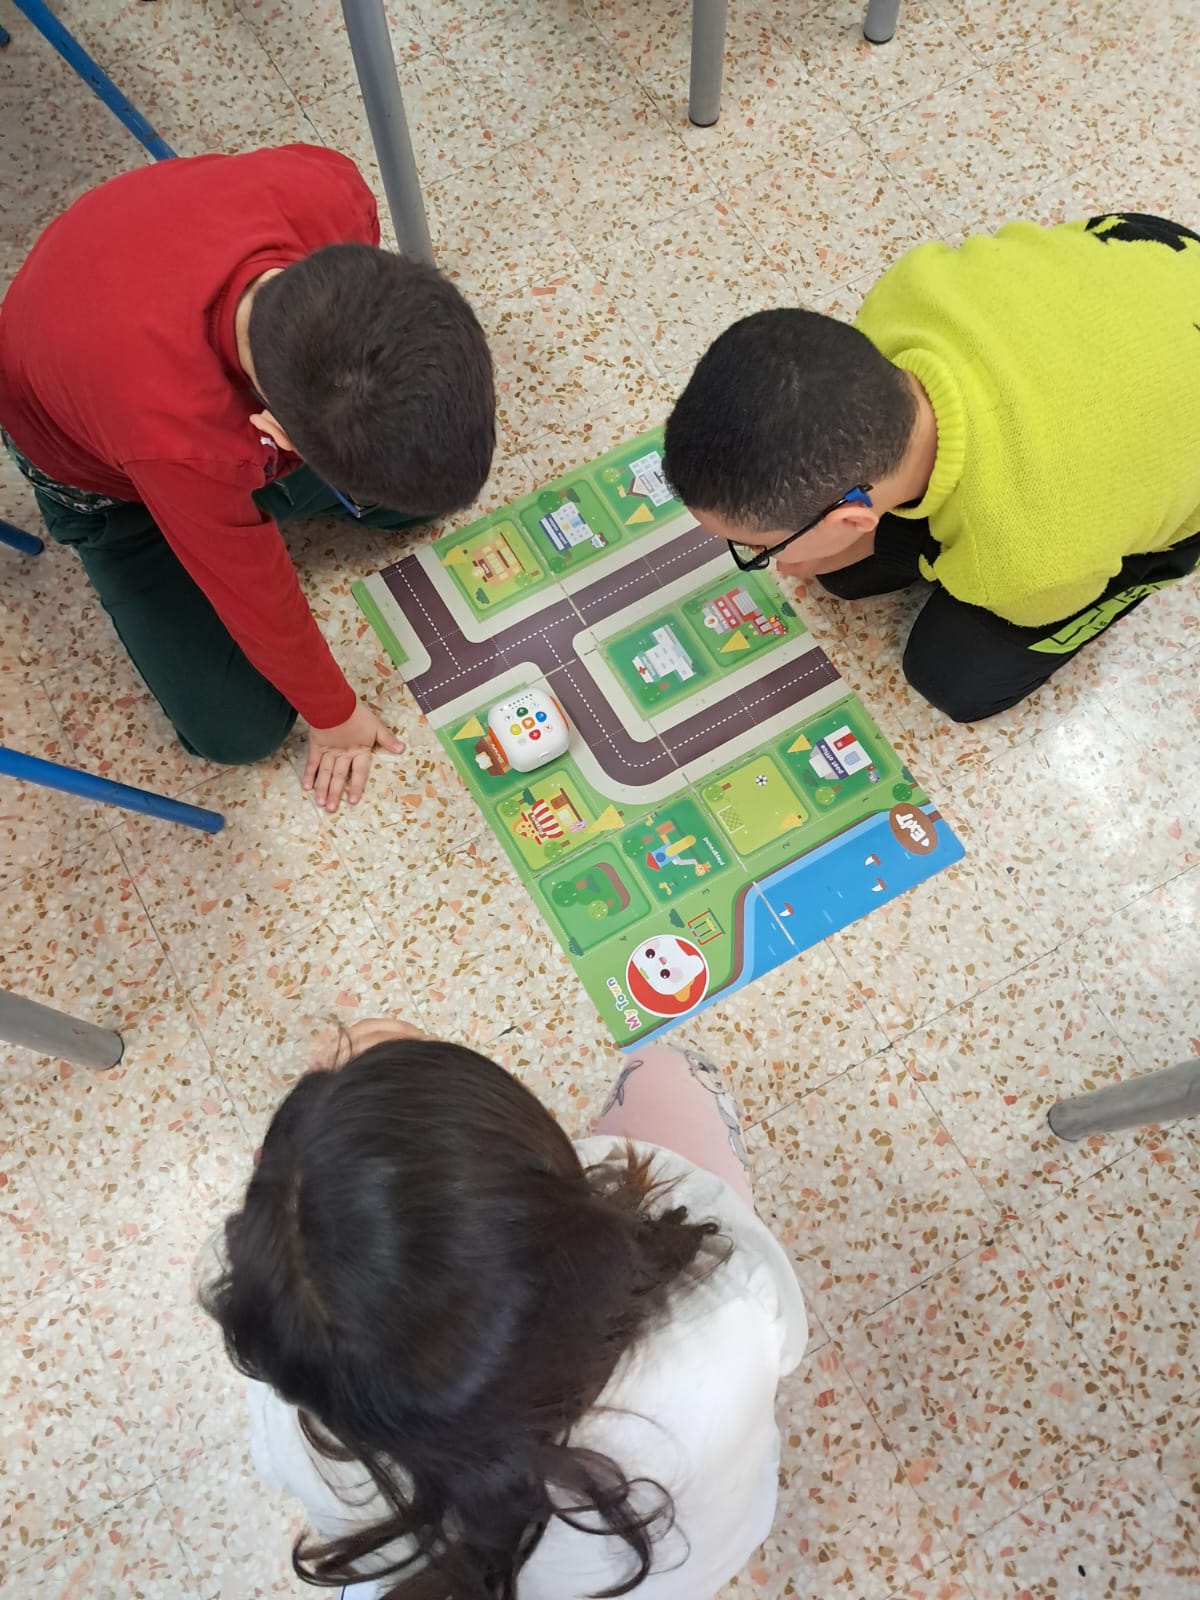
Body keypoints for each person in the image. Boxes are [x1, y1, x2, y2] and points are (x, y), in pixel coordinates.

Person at [202, 1021, 807, 1600]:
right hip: (678, 1569)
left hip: (428, 1578)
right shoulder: (724, 1302)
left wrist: (336, 1162)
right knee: (667, 1070)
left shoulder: (301, 1401)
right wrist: (405, 1110)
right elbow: (786, 1343)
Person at [0, 145, 495, 810]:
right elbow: (252, 591)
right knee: (240, 732)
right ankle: (182, 530)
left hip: (128, 325)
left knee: (418, 491)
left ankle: (294, 492)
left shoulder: (332, 193)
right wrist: (336, 715)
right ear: (280, 436)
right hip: (105, 489)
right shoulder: (182, 439)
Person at [661, 212, 1200, 724]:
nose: (771, 561)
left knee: (954, 679)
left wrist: (912, 553)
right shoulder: (907, 292)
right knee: (842, 575)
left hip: (1166, 360)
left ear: (851, 519)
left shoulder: (1031, 559)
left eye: (762, 549)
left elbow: (1039, 589)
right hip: (1151, 260)